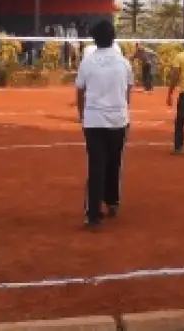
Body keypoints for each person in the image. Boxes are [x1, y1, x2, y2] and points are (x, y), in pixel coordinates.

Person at [75, 19, 133, 230]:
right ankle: (113, 202)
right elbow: (128, 91)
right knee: (114, 163)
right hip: (119, 120)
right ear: (113, 38)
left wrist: (83, 115)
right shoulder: (123, 62)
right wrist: (123, 111)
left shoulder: (87, 63)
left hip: (94, 121)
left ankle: (93, 215)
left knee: (96, 167)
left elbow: (80, 91)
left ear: (94, 39)